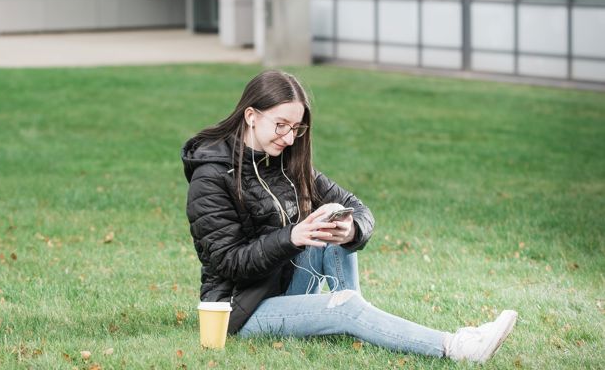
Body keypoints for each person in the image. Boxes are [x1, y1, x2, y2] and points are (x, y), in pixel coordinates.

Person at [181, 70, 518, 363]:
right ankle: (456, 346)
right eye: (280, 125)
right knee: (342, 304)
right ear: (251, 115)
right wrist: (293, 237)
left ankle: (352, 312)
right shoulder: (211, 176)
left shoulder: (288, 163)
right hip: (239, 309)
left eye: (295, 128)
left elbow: (358, 207)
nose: (288, 138)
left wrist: (351, 228)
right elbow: (227, 261)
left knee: (333, 218)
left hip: (287, 285)